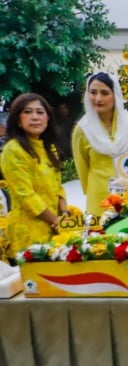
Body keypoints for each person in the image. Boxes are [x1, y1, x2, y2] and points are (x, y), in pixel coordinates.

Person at [0, 93, 68, 258]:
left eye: (40, 112)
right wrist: (55, 220)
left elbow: (57, 186)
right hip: (28, 235)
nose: (35, 117)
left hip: (56, 230)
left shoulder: (49, 148)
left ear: (48, 118)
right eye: (28, 112)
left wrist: (64, 215)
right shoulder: (13, 150)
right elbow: (26, 196)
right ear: (18, 119)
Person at [72, 72, 128, 217]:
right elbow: (82, 169)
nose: (98, 98)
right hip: (99, 201)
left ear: (116, 95)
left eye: (105, 93)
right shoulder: (82, 129)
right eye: (93, 92)